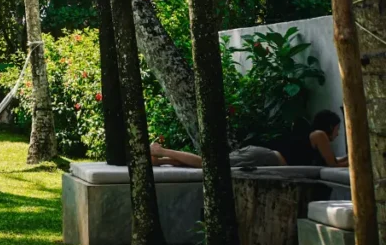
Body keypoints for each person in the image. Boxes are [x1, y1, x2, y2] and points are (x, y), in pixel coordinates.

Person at [150, 109, 349, 169]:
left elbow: (336, 160)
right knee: (207, 164)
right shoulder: (319, 135)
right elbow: (332, 163)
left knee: (210, 165)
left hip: (262, 156)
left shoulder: (316, 137)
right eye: (338, 129)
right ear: (330, 126)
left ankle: (162, 160)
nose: (338, 134)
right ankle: (161, 151)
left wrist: (351, 158)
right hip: (263, 157)